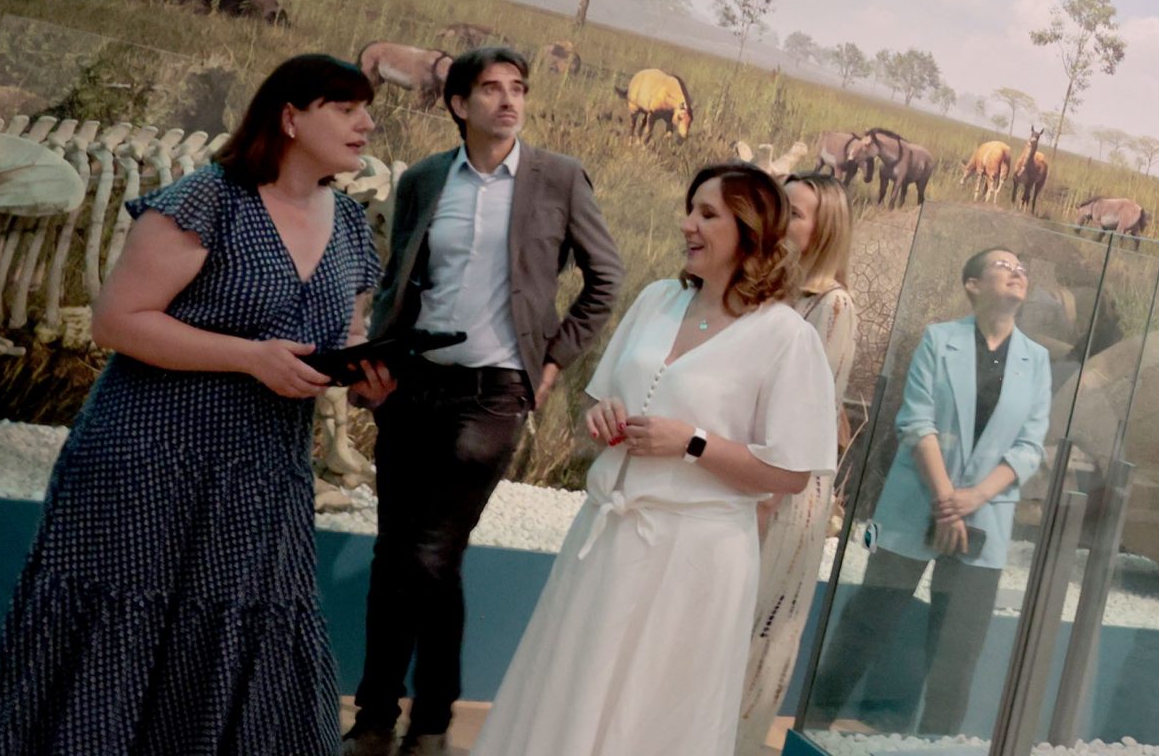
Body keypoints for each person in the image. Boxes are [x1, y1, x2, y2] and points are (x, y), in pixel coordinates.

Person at [0, 54, 389, 755]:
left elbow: (341, 337)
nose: (366, 123)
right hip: (145, 462)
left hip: (262, 479)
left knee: (253, 648)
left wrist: (367, 379)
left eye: (365, 109)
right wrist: (249, 356)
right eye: (346, 108)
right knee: (116, 642)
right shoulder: (208, 199)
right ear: (291, 117)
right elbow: (118, 320)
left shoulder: (350, 225)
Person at [472, 163, 841, 756]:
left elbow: (791, 474)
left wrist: (692, 442)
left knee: (652, 715)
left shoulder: (785, 337)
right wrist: (602, 417)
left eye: (707, 214)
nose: (687, 224)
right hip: (608, 541)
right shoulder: (657, 298)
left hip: (695, 561)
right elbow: (605, 398)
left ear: (749, 230)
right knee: (570, 691)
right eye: (690, 209)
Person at [345, 45, 624, 756]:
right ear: (459, 104)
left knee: (432, 553)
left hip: (495, 393)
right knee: (394, 556)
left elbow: (604, 280)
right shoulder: (427, 178)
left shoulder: (558, 178)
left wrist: (554, 361)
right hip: (414, 384)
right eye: (492, 89)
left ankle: (430, 724)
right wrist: (375, 365)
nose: (508, 100)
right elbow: (400, 279)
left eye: (518, 88)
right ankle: (378, 721)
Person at [807, 247, 1052, 736]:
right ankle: (812, 726)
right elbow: (916, 423)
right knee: (864, 628)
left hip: (984, 518)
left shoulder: (1037, 359)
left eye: (1023, 268)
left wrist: (973, 499)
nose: (1017, 272)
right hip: (916, 505)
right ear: (973, 285)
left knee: (956, 657)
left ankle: (936, 746)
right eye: (1004, 266)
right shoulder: (939, 341)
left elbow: (1030, 448)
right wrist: (947, 500)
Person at [738, 172, 859, 754]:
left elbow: (810, 416)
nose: (783, 218)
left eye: (798, 211)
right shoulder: (763, 293)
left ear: (824, 227)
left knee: (761, 634)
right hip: (740, 478)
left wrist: (767, 494)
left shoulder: (831, 307)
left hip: (783, 493)